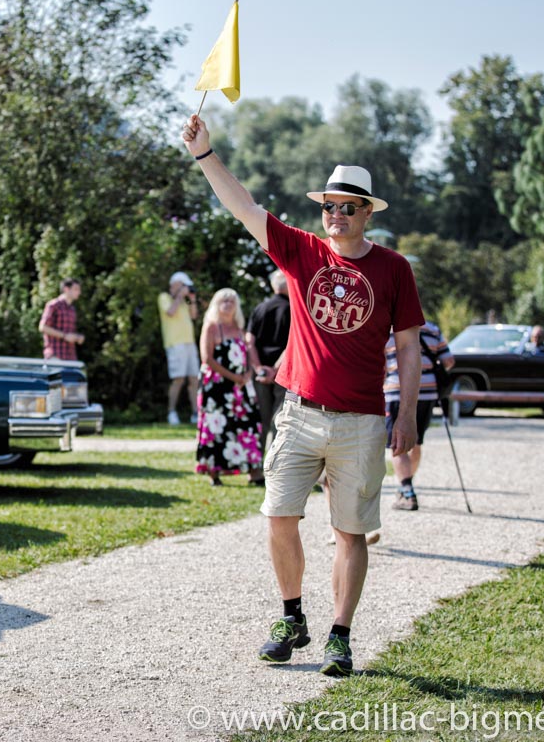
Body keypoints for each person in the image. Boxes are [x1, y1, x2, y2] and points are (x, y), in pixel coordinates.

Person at [181, 115, 424, 678]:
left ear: (367, 212)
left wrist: (406, 413)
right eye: (329, 206)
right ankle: (292, 617)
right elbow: (244, 207)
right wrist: (205, 155)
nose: (336, 215)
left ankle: (340, 635)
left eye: (348, 207)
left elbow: (409, 346)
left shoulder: (393, 269)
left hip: (362, 420)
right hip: (298, 414)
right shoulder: (303, 251)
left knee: (351, 533)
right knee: (278, 516)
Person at [196, 288, 265, 486]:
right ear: (216, 305)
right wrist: (233, 377)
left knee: (248, 424)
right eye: (223, 301)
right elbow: (207, 358)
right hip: (216, 387)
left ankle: (253, 470)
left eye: (231, 301)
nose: (227, 304)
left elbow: (247, 356)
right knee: (216, 426)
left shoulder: (239, 329)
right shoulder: (211, 327)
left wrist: (248, 374)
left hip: (240, 388)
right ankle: (214, 472)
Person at [384, 322, 455, 511]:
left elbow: (381, 363)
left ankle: (407, 489)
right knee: (415, 441)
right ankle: (406, 484)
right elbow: (449, 361)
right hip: (427, 392)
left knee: (396, 443)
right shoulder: (432, 329)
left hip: (396, 390)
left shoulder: (387, 329)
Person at [246, 269, 291, 451]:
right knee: (279, 421)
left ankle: (256, 463)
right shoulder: (293, 309)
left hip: (261, 374)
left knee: (261, 421)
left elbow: (249, 341)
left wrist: (259, 368)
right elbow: (293, 343)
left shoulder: (260, 308)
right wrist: (275, 369)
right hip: (283, 373)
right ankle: (274, 464)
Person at [159, 272, 200, 425]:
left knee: (194, 379)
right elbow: (170, 312)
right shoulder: (164, 297)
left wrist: (191, 299)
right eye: (183, 285)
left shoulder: (185, 300)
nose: (185, 288)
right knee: (178, 379)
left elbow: (194, 315)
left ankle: (196, 413)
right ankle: (171, 412)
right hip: (175, 344)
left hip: (189, 343)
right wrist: (179, 296)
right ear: (175, 284)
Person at [39, 278, 84, 360]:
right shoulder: (53, 305)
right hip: (55, 355)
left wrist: (77, 337)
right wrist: (64, 336)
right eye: (76, 289)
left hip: (70, 356)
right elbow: (43, 327)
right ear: (66, 289)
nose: (79, 292)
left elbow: (69, 333)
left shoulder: (72, 309)